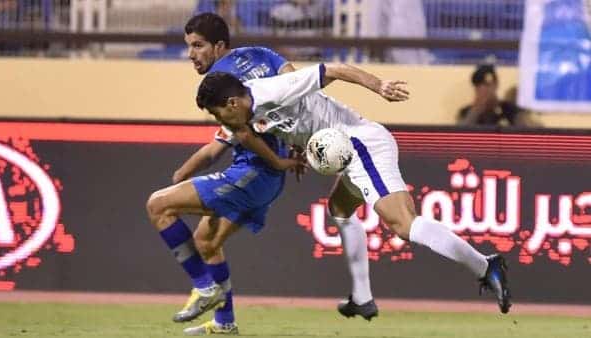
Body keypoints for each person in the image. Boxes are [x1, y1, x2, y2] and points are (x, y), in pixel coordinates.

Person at [195, 63, 512, 315]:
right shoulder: (248, 113)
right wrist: (296, 148)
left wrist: (379, 86)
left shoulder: (272, 90)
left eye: (216, 112)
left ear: (232, 102)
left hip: (360, 144)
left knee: (403, 224)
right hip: (346, 151)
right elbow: (293, 122)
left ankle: (485, 265)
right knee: (340, 209)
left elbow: (333, 70)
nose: (217, 119)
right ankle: (362, 299)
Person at [147, 13, 376, 337]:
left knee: (158, 206)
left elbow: (239, 136)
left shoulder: (221, 83)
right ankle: (225, 322)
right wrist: (297, 145)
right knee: (206, 240)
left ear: (219, 46)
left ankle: (204, 287)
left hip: (253, 172)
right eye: (189, 46)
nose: (191, 54)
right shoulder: (261, 54)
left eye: (198, 46)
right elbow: (295, 89)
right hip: (269, 178)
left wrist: (279, 160)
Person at [458, 64, 542, 127]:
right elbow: (459, 138)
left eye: (488, 85)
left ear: (496, 84)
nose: (485, 90)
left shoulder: (509, 109)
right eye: (479, 86)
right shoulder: (466, 112)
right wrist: (476, 110)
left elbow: (526, 132)